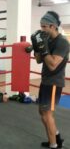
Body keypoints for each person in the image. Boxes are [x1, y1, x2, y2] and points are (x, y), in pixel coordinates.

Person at [31, 11, 70, 149]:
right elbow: (38, 60)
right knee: (42, 112)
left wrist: (44, 49)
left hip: (54, 83)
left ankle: (54, 145)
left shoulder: (63, 43)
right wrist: (36, 47)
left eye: (44, 27)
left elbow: (53, 65)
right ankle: (56, 137)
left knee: (47, 114)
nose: (42, 29)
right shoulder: (47, 40)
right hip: (45, 81)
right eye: (41, 27)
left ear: (53, 26)